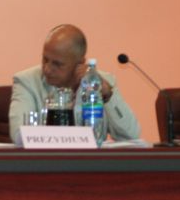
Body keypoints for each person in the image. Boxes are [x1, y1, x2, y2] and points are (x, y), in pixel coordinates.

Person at [9, 24, 141, 145]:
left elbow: (131, 135)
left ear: (80, 63)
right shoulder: (27, 82)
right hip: (45, 161)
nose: (47, 69)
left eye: (57, 64)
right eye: (45, 59)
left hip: (91, 162)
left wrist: (108, 94)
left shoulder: (101, 82)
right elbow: (19, 135)